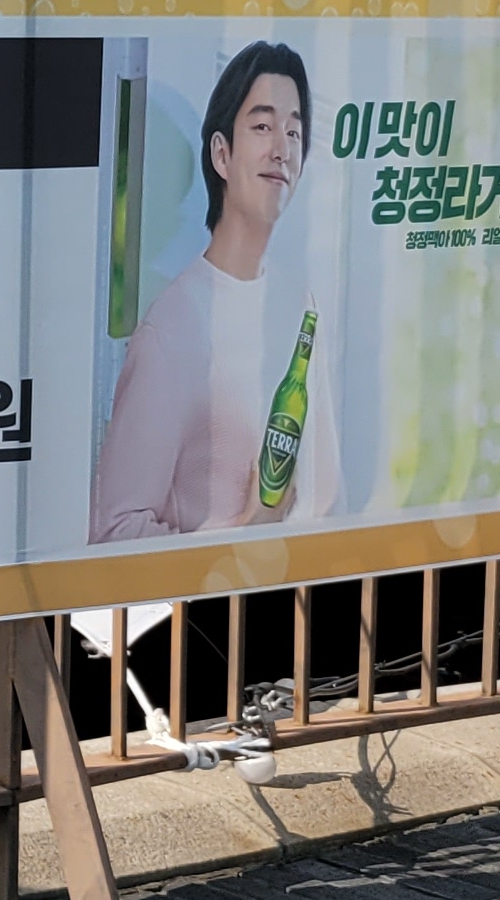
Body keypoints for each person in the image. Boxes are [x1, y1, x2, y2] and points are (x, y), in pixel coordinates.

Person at [90, 39, 338, 540]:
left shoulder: (300, 306)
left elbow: (330, 496)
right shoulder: (171, 330)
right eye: (263, 126)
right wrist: (244, 534)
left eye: (294, 132)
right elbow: (114, 529)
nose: (281, 149)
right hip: (218, 594)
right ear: (221, 153)